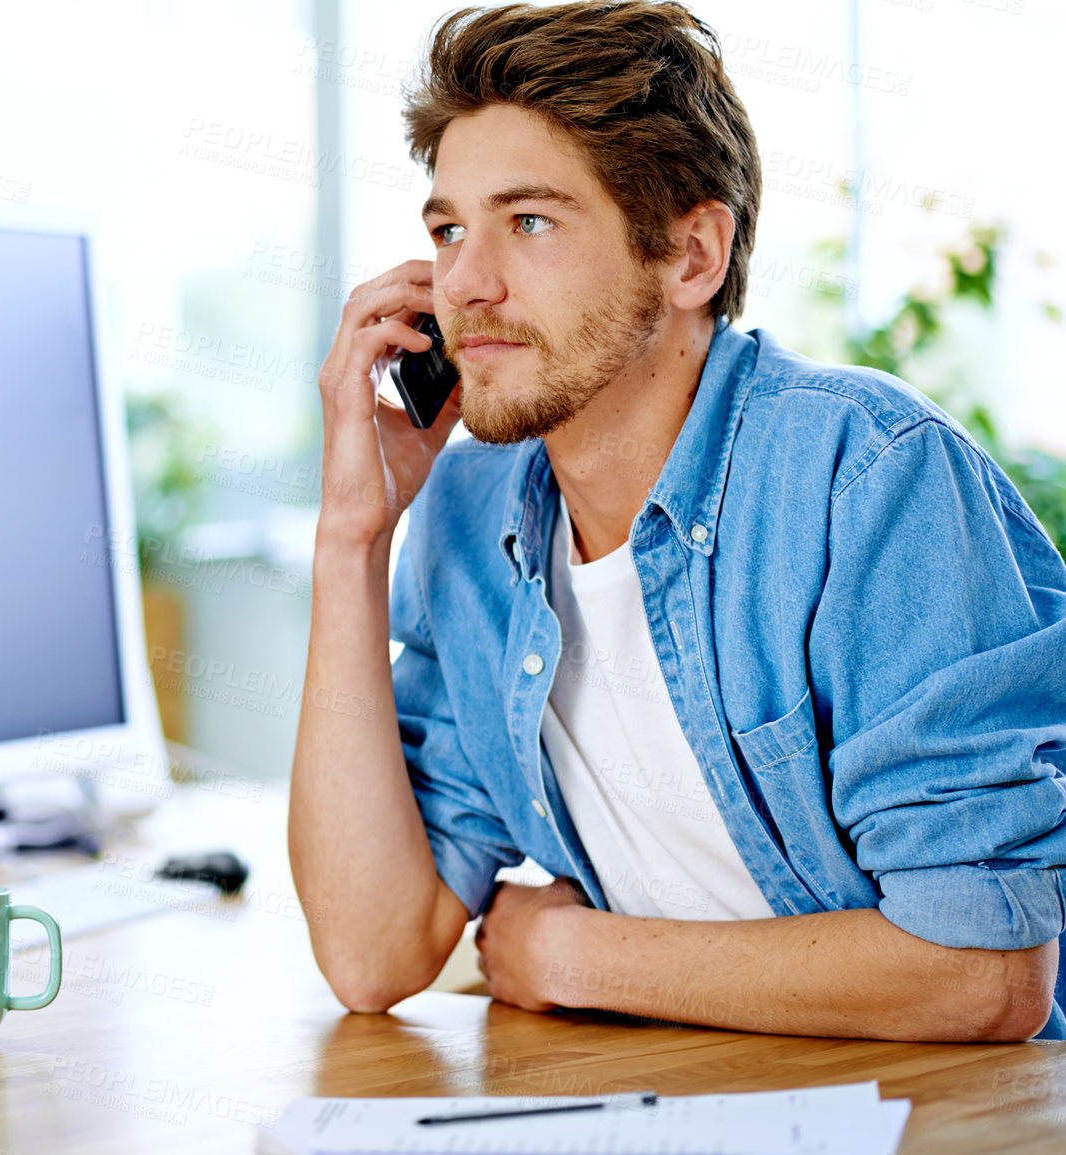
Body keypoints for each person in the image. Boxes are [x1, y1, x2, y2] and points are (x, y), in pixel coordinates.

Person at [289, 0, 1066, 1042]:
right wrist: (353, 538)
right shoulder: (470, 515)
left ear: (692, 255)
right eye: (448, 228)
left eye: (529, 221)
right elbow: (372, 952)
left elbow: (981, 978)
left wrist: (579, 956)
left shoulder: (867, 478)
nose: (465, 282)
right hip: (686, 1102)